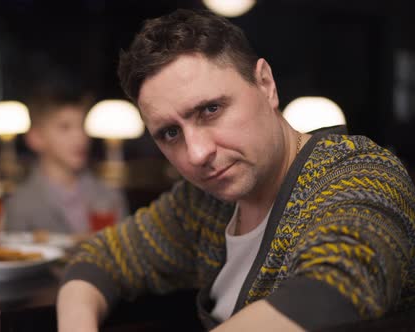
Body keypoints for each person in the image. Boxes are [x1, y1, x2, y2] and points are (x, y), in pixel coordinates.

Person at [56, 9, 415, 332]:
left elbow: (335, 287)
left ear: (265, 84)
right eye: (170, 133)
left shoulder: (360, 173)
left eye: (210, 110)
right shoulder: (203, 205)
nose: (196, 154)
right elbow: (100, 258)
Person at [4, 87, 128, 235]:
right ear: (35, 138)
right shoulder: (20, 203)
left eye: (83, 126)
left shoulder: (110, 195)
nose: (80, 137)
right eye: (65, 127)